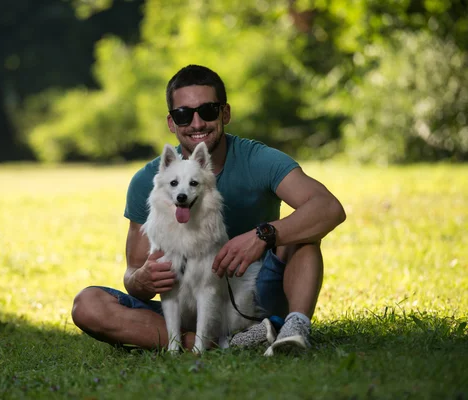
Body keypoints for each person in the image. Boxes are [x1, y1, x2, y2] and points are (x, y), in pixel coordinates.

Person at [71, 64, 346, 355]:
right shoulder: (150, 181)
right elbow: (133, 276)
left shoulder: (260, 159)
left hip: (253, 291)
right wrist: (142, 278)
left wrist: (262, 235)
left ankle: (294, 327)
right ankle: (210, 344)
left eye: (208, 111)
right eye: (184, 114)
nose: (197, 123)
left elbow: (328, 208)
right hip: (183, 302)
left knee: (304, 230)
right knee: (87, 305)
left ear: (225, 113)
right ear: (171, 122)